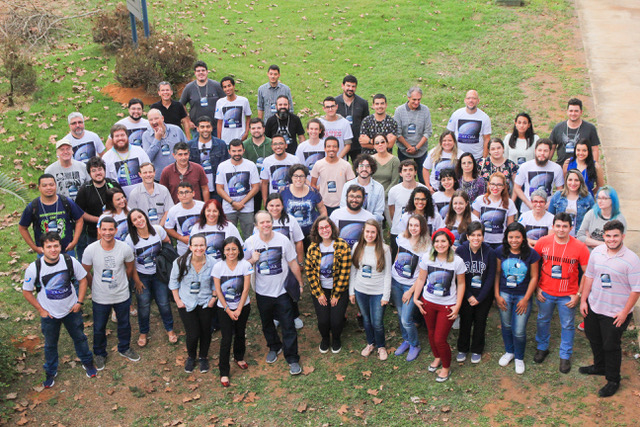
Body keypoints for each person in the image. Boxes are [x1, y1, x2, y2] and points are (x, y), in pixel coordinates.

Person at [22, 232, 96, 388]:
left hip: (71, 310)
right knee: (50, 344)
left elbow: (83, 280)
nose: (53, 250)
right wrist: (40, 310)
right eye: (48, 246)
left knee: (80, 338)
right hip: (49, 315)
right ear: (42, 249)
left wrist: (79, 302)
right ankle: (50, 371)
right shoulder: (34, 268)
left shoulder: (70, 261)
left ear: (60, 247)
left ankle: (87, 362)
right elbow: (26, 291)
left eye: (56, 246)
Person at [580, 220, 640, 397]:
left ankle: (613, 380)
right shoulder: (597, 252)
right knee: (593, 338)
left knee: (610, 346)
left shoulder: (632, 260)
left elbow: (636, 290)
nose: (612, 239)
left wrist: (624, 313)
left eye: (615, 236)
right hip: (594, 306)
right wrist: (583, 301)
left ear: (623, 236)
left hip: (615, 313)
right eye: (608, 236)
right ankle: (600, 367)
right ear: (603, 236)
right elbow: (589, 276)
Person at [243, 211, 304, 375]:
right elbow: (242, 265)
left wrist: (299, 282)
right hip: (262, 292)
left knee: (288, 325)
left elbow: (292, 262)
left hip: (282, 291)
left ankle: (292, 358)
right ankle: (274, 346)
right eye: (262, 222)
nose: (266, 225)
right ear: (256, 226)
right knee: (267, 323)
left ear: (272, 222)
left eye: (268, 221)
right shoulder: (250, 242)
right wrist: (252, 260)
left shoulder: (283, 240)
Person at [533, 213, 590, 374]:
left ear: (571, 228)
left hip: (568, 294)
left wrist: (578, 294)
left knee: (567, 325)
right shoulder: (543, 242)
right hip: (545, 292)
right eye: (558, 226)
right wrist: (537, 287)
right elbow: (534, 265)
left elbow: (587, 273)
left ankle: (565, 355)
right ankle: (542, 347)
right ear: (553, 226)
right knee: (542, 320)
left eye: (565, 226)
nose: (561, 229)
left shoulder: (580, 247)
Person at [82, 217, 141, 369]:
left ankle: (124, 348)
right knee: (99, 327)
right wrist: (93, 286)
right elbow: (85, 272)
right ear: (99, 230)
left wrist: (122, 282)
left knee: (124, 324)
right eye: (104, 229)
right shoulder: (90, 250)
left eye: (110, 229)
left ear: (116, 230)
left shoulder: (124, 248)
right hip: (100, 296)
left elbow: (129, 268)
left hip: (121, 294)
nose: (107, 233)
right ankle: (100, 353)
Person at [413, 228, 467, 382]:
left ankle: (446, 367)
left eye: (443, 241)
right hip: (428, 302)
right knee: (431, 333)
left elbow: (461, 284)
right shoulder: (427, 258)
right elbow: (421, 279)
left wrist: (457, 306)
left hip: (447, 305)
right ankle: (437, 357)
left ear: (450, 243)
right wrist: (416, 298)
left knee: (439, 339)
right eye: (437, 241)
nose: (440, 244)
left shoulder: (457, 261)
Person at [125, 209, 176, 347]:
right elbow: (130, 262)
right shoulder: (130, 239)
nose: (139, 221)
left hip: (159, 274)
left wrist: (163, 259)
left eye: (140, 217)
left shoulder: (158, 230)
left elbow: (167, 242)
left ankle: (169, 329)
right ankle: (143, 332)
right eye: (134, 220)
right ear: (132, 224)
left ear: (145, 216)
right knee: (144, 305)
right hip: (141, 276)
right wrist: (136, 281)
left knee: (164, 302)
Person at [494, 222, 540, 374]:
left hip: (522, 295)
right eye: (511, 237)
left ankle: (519, 357)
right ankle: (510, 351)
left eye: (517, 237)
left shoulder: (532, 254)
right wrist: (497, 295)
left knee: (519, 330)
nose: (514, 240)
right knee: (506, 325)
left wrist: (526, 299)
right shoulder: (500, 251)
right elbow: (497, 273)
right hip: (505, 294)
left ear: (523, 238)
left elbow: (534, 277)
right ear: (506, 237)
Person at [169, 234, 216, 374]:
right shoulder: (180, 262)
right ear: (190, 247)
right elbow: (173, 283)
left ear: (206, 246)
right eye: (195, 245)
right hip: (187, 302)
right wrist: (178, 301)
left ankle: (203, 357)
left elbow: (216, 283)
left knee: (206, 331)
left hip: (205, 301)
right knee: (193, 333)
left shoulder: (213, 263)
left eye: (201, 245)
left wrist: (213, 299)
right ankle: (191, 356)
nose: (199, 248)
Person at [305, 217, 351, 354]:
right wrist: (319, 294)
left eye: (327, 227)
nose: (325, 230)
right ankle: (325, 338)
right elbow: (310, 271)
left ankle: (336, 338)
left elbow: (344, 272)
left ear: (332, 228)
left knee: (336, 321)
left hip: (339, 289)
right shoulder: (313, 248)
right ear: (317, 230)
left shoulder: (342, 245)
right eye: (321, 228)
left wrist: (336, 295)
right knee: (323, 321)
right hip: (321, 289)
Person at [212, 237, 252, 387]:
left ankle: (239, 357)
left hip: (243, 306)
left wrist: (239, 308)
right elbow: (218, 291)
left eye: (234, 249)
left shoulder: (245, 265)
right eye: (228, 249)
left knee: (240, 332)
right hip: (224, 308)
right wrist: (228, 310)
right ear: (223, 251)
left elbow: (246, 289)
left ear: (239, 250)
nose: (231, 252)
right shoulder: (218, 267)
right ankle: (224, 371)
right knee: (226, 338)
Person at [349, 219, 392, 360]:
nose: (370, 235)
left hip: (378, 292)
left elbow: (388, 274)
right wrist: (351, 291)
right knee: (366, 320)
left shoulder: (384, 249)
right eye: (367, 231)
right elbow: (354, 270)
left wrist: (386, 296)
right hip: (360, 290)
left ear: (378, 233)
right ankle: (370, 343)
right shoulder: (357, 246)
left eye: (373, 232)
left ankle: (381, 346)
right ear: (363, 231)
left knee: (377, 322)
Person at [455, 222, 496, 364]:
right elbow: (458, 277)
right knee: (465, 321)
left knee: (480, 322)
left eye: (479, 235)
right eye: (473, 235)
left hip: (483, 295)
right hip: (466, 294)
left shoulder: (490, 252)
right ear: (467, 236)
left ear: (483, 236)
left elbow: (491, 276)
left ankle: (477, 349)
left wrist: (480, 297)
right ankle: (462, 348)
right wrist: (468, 296)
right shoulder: (461, 250)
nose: (476, 238)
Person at [391, 214, 430, 361]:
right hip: (396, 281)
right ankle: (406, 340)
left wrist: (411, 291)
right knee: (400, 314)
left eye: (416, 225)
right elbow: (397, 254)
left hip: (410, 285)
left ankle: (415, 344)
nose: (413, 228)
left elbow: (422, 275)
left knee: (406, 319)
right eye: (411, 225)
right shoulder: (402, 237)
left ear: (422, 227)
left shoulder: (426, 247)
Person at [263, 193, 305, 329]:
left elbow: (299, 241)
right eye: (271, 205)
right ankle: (276, 317)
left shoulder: (291, 220)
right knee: (274, 290)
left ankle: (294, 315)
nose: (274, 208)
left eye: (278, 205)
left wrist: (300, 261)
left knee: (290, 289)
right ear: (266, 206)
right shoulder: (262, 221)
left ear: (282, 206)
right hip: (270, 263)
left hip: (289, 262)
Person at [19, 174, 84, 257]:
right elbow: (22, 227)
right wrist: (34, 247)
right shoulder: (33, 206)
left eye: (51, 185)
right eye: (44, 185)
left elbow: (79, 220)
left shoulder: (66, 202)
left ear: (56, 185)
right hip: (44, 252)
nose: (48, 188)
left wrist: (74, 241)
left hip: (66, 250)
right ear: (39, 188)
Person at [75, 157, 122, 260]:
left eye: (100, 169)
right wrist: (99, 220)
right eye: (94, 170)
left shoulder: (113, 184)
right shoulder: (85, 190)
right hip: (94, 231)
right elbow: (79, 212)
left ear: (104, 170)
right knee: (99, 259)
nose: (98, 173)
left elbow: (123, 203)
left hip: (117, 229)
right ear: (89, 173)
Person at [215, 139, 261, 238]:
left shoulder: (251, 165)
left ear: (243, 150)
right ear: (229, 151)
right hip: (229, 207)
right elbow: (219, 188)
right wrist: (232, 203)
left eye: (239, 150)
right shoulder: (222, 166)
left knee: (250, 235)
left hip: (247, 207)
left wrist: (242, 203)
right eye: (234, 151)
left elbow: (256, 187)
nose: (237, 153)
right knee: (228, 235)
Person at [513, 138, 564, 212]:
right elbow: (517, 187)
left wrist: (549, 204)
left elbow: (560, 189)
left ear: (550, 152)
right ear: (535, 151)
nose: (542, 153)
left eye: (545, 151)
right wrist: (529, 204)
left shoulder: (557, 168)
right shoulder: (525, 166)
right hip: (527, 210)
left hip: (547, 210)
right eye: (540, 150)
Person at [394, 86, 432, 183]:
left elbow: (428, 131)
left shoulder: (425, 110)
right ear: (408, 98)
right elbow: (397, 133)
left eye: (419, 99)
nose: (416, 102)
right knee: (404, 178)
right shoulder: (399, 111)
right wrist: (409, 147)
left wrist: (416, 148)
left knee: (423, 178)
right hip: (404, 150)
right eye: (414, 99)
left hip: (421, 149)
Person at [388, 160, 425, 258]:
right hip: (398, 231)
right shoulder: (394, 190)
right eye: (405, 170)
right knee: (396, 259)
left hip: (418, 232)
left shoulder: (423, 189)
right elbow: (391, 209)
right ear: (400, 173)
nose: (408, 173)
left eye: (410, 170)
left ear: (415, 172)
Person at [310, 137, 355, 216]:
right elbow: (313, 184)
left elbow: (352, 185)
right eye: (329, 146)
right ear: (325, 148)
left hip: (341, 204)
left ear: (338, 149)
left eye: (334, 146)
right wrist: (318, 200)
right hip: (324, 205)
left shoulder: (346, 165)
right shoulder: (318, 164)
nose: (331, 149)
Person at [102, 123, 151, 197]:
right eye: (117, 136)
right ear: (112, 139)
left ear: (127, 136)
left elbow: (149, 172)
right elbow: (107, 182)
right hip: (121, 200)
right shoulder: (106, 158)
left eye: (122, 135)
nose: (120, 138)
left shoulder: (139, 151)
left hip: (143, 196)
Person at [187, 116, 230, 200]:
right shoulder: (190, 146)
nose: (205, 129)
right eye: (202, 127)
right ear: (197, 129)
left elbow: (226, 166)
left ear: (212, 128)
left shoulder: (221, 144)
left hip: (217, 187)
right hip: (198, 188)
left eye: (208, 126)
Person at [280, 164, 327, 240]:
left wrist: (322, 225)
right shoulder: (283, 191)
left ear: (305, 178)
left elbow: (322, 209)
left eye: (301, 176)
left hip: (311, 233)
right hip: (290, 232)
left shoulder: (313, 192)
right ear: (291, 177)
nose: (298, 179)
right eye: (295, 176)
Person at [180, 61, 225, 138]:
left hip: (215, 127)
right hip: (197, 128)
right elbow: (181, 104)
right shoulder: (189, 88)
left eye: (203, 70)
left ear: (207, 72)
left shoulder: (216, 86)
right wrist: (188, 121)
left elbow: (226, 102)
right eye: (198, 71)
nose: (201, 73)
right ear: (195, 73)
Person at [472, 173, 517, 249]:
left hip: (500, 243)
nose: (495, 188)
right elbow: (474, 223)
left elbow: (510, 227)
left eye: (499, 185)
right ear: (489, 185)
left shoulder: (509, 203)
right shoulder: (480, 200)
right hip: (482, 241)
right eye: (493, 184)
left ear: (504, 187)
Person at [549, 98, 601, 165]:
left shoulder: (590, 128)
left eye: (576, 111)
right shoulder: (558, 128)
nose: (573, 113)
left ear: (581, 112)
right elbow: (551, 148)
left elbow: (595, 150)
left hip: (582, 167)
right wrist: (546, 165)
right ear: (567, 111)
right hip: (562, 166)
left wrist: (593, 166)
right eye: (571, 111)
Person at [142, 108, 188, 181]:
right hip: (160, 177)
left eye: (156, 118)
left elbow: (187, 149)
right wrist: (157, 140)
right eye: (151, 120)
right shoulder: (146, 135)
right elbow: (147, 158)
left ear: (162, 118)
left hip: (180, 175)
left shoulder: (176, 130)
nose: (154, 122)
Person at [446, 90, 492, 160]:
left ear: (478, 101)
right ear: (465, 100)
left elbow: (487, 139)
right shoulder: (456, 115)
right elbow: (449, 134)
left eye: (474, 98)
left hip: (477, 157)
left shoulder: (484, 118)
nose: (471, 100)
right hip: (457, 156)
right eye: (468, 98)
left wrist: (484, 159)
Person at [577, 185, 627, 250]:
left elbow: (617, 243)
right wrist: (604, 244)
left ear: (613, 200)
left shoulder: (619, 219)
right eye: (599, 198)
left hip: (610, 253)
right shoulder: (591, 214)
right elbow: (580, 236)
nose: (600, 201)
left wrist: (590, 241)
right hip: (590, 253)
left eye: (604, 198)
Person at [339, 154, 385, 223]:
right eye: (361, 166)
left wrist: (366, 222)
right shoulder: (348, 186)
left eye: (367, 166)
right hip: (351, 222)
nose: (364, 169)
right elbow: (343, 207)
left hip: (372, 224)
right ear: (357, 169)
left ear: (372, 170)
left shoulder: (379, 188)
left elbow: (378, 213)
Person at [548, 170, 595, 237]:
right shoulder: (557, 196)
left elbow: (593, 217)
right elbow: (550, 217)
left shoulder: (587, 197)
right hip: (560, 235)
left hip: (580, 236)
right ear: (566, 181)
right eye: (570, 180)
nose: (573, 183)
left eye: (576, 180)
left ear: (581, 182)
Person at [164, 182, 206, 255]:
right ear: (178, 195)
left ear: (193, 193)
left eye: (187, 192)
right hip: (183, 248)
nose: (184, 195)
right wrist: (180, 238)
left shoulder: (202, 206)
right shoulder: (173, 210)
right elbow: (168, 228)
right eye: (181, 193)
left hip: (202, 246)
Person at [127, 162, 174, 226]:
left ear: (154, 172)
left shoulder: (163, 190)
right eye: (145, 173)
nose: (148, 175)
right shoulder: (134, 194)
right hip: (143, 228)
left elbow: (168, 211)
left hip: (162, 227)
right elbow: (132, 216)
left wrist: (159, 228)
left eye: (150, 172)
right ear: (140, 174)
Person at [336, 75, 370, 161]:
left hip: (357, 143)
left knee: (359, 166)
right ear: (342, 86)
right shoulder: (335, 103)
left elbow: (366, 122)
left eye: (353, 86)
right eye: (348, 86)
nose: (350, 89)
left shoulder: (363, 103)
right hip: (341, 143)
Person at [260, 134, 301, 202]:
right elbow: (264, 183)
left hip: (292, 198)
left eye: (281, 144)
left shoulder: (295, 160)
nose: (278, 146)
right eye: (275, 144)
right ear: (272, 147)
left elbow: (300, 180)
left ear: (286, 145)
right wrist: (265, 200)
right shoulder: (267, 161)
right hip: (275, 199)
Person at [215, 76, 252, 144]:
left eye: (229, 86)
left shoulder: (244, 101)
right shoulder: (220, 102)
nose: (227, 89)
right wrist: (219, 139)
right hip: (225, 140)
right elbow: (219, 122)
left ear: (234, 86)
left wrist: (246, 133)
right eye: (225, 87)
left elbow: (248, 117)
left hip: (240, 138)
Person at [371, 134, 400, 205]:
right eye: (377, 143)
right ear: (374, 146)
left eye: (382, 142)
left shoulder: (395, 161)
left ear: (387, 144)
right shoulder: (370, 160)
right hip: (372, 197)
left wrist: (383, 196)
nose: (380, 145)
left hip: (389, 197)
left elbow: (394, 181)